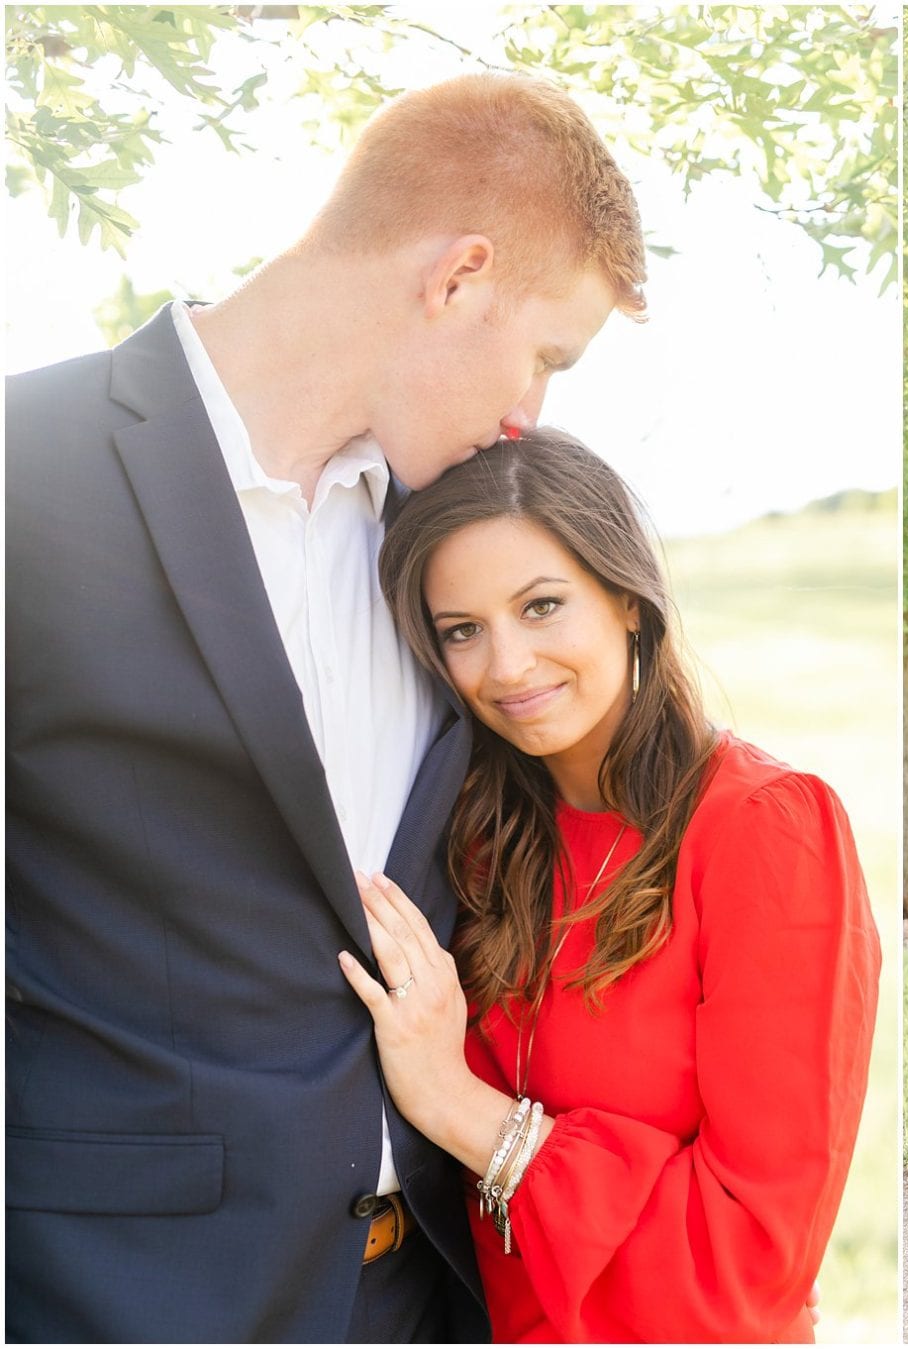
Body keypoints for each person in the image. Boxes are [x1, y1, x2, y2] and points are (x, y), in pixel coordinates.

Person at [6, 73, 644, 1340]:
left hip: (429, 1291)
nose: (533, 410)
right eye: (545, 356)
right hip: (120, 1291)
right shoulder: (23, 467)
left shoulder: (455, 543)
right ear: (458, 277)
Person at [330, 431, 880, 1342]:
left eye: (542, 606)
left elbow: (748, 1258)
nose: (505, 667)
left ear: (628, 599)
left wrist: (465, 1111)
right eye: (462, 630)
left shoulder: (765, 830)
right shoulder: (479, 834)